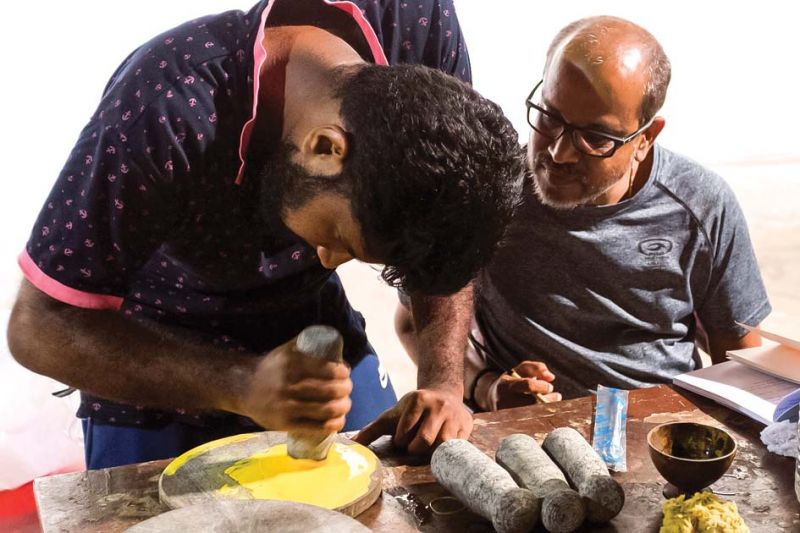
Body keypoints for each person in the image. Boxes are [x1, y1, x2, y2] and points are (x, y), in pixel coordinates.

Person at [7, 0, 525, 468]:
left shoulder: (415, 24)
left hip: (311, 330)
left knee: (383, 493)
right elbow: (39, 328)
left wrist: (443, 382)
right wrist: (240, 383)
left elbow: (451, 218)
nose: (326, 261)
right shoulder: (166, 103)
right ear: (326, 148)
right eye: (340, 240)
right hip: (157, 345)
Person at [396, 15, 770, 411]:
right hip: (520, 436)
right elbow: (411, 324)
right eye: (549, 117)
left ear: (645, 138)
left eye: (595, 137)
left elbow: (740, 364)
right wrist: (486, 386)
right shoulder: (489, 192)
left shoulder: (701, 206)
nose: (558, 153)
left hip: (660, 434)